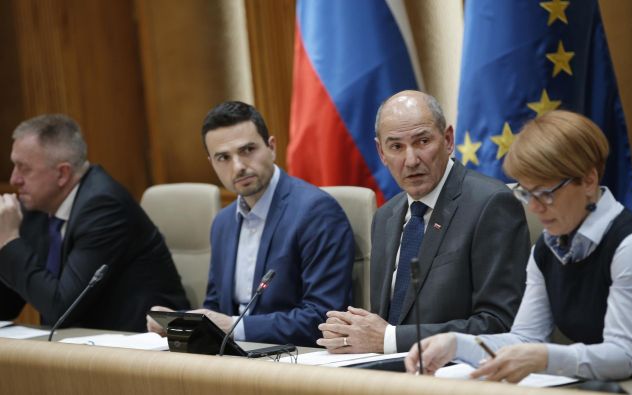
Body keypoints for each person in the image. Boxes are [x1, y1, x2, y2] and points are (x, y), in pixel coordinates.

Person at [405, 110, 632, 381]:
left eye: (545, 194)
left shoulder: (630, 245)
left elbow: (624, 356)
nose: (535, 207)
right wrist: (454, 344)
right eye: (526, 193)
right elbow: (525, 338)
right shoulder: (547, 249)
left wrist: (542, 357)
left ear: (588, 180)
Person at [318, 90, 530, 354]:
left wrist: (389, 339)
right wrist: (351, 331)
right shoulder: (386, 216)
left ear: (448, 139)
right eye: (396, 147)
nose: (411, 160)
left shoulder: (491, 204)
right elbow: (387, 321)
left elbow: (499, 324)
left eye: (422, 141)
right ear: (381, 153)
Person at [147, 101, 354, 347]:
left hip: (294, 359)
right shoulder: (222, 223)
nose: (238, 166)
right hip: (235, 358)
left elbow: (323, 318)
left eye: (247, 150)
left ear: (271, 147)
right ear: (212, 163)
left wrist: (235, 327)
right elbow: (216, 308)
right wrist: (182, 324)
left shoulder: (316, 212)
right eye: (223, 157)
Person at [0, 114, 189, 332]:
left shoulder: (103, 206)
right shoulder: (35, 208)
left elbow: (62, 309)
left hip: (141, 345)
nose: (14, 179)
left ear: (62, 173)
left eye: (24, 168)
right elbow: (6, 307)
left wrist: (10, 241)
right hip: (82, 345)